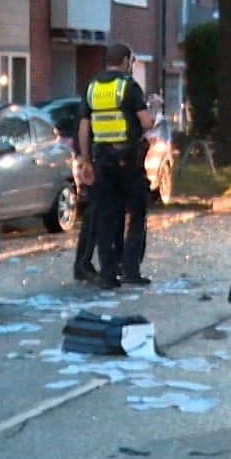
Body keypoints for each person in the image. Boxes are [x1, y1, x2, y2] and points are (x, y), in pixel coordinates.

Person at [77, 42, 161, 288]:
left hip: (102, 160)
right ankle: (131, 270)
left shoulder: (92, 88)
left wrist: (86, 160)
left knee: (106, 217)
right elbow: (146, 123)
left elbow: (84, 128)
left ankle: (107, 275)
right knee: (136, 214)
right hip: (128, 160)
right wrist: (154, 106)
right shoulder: (128, 87)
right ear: (125, 61)